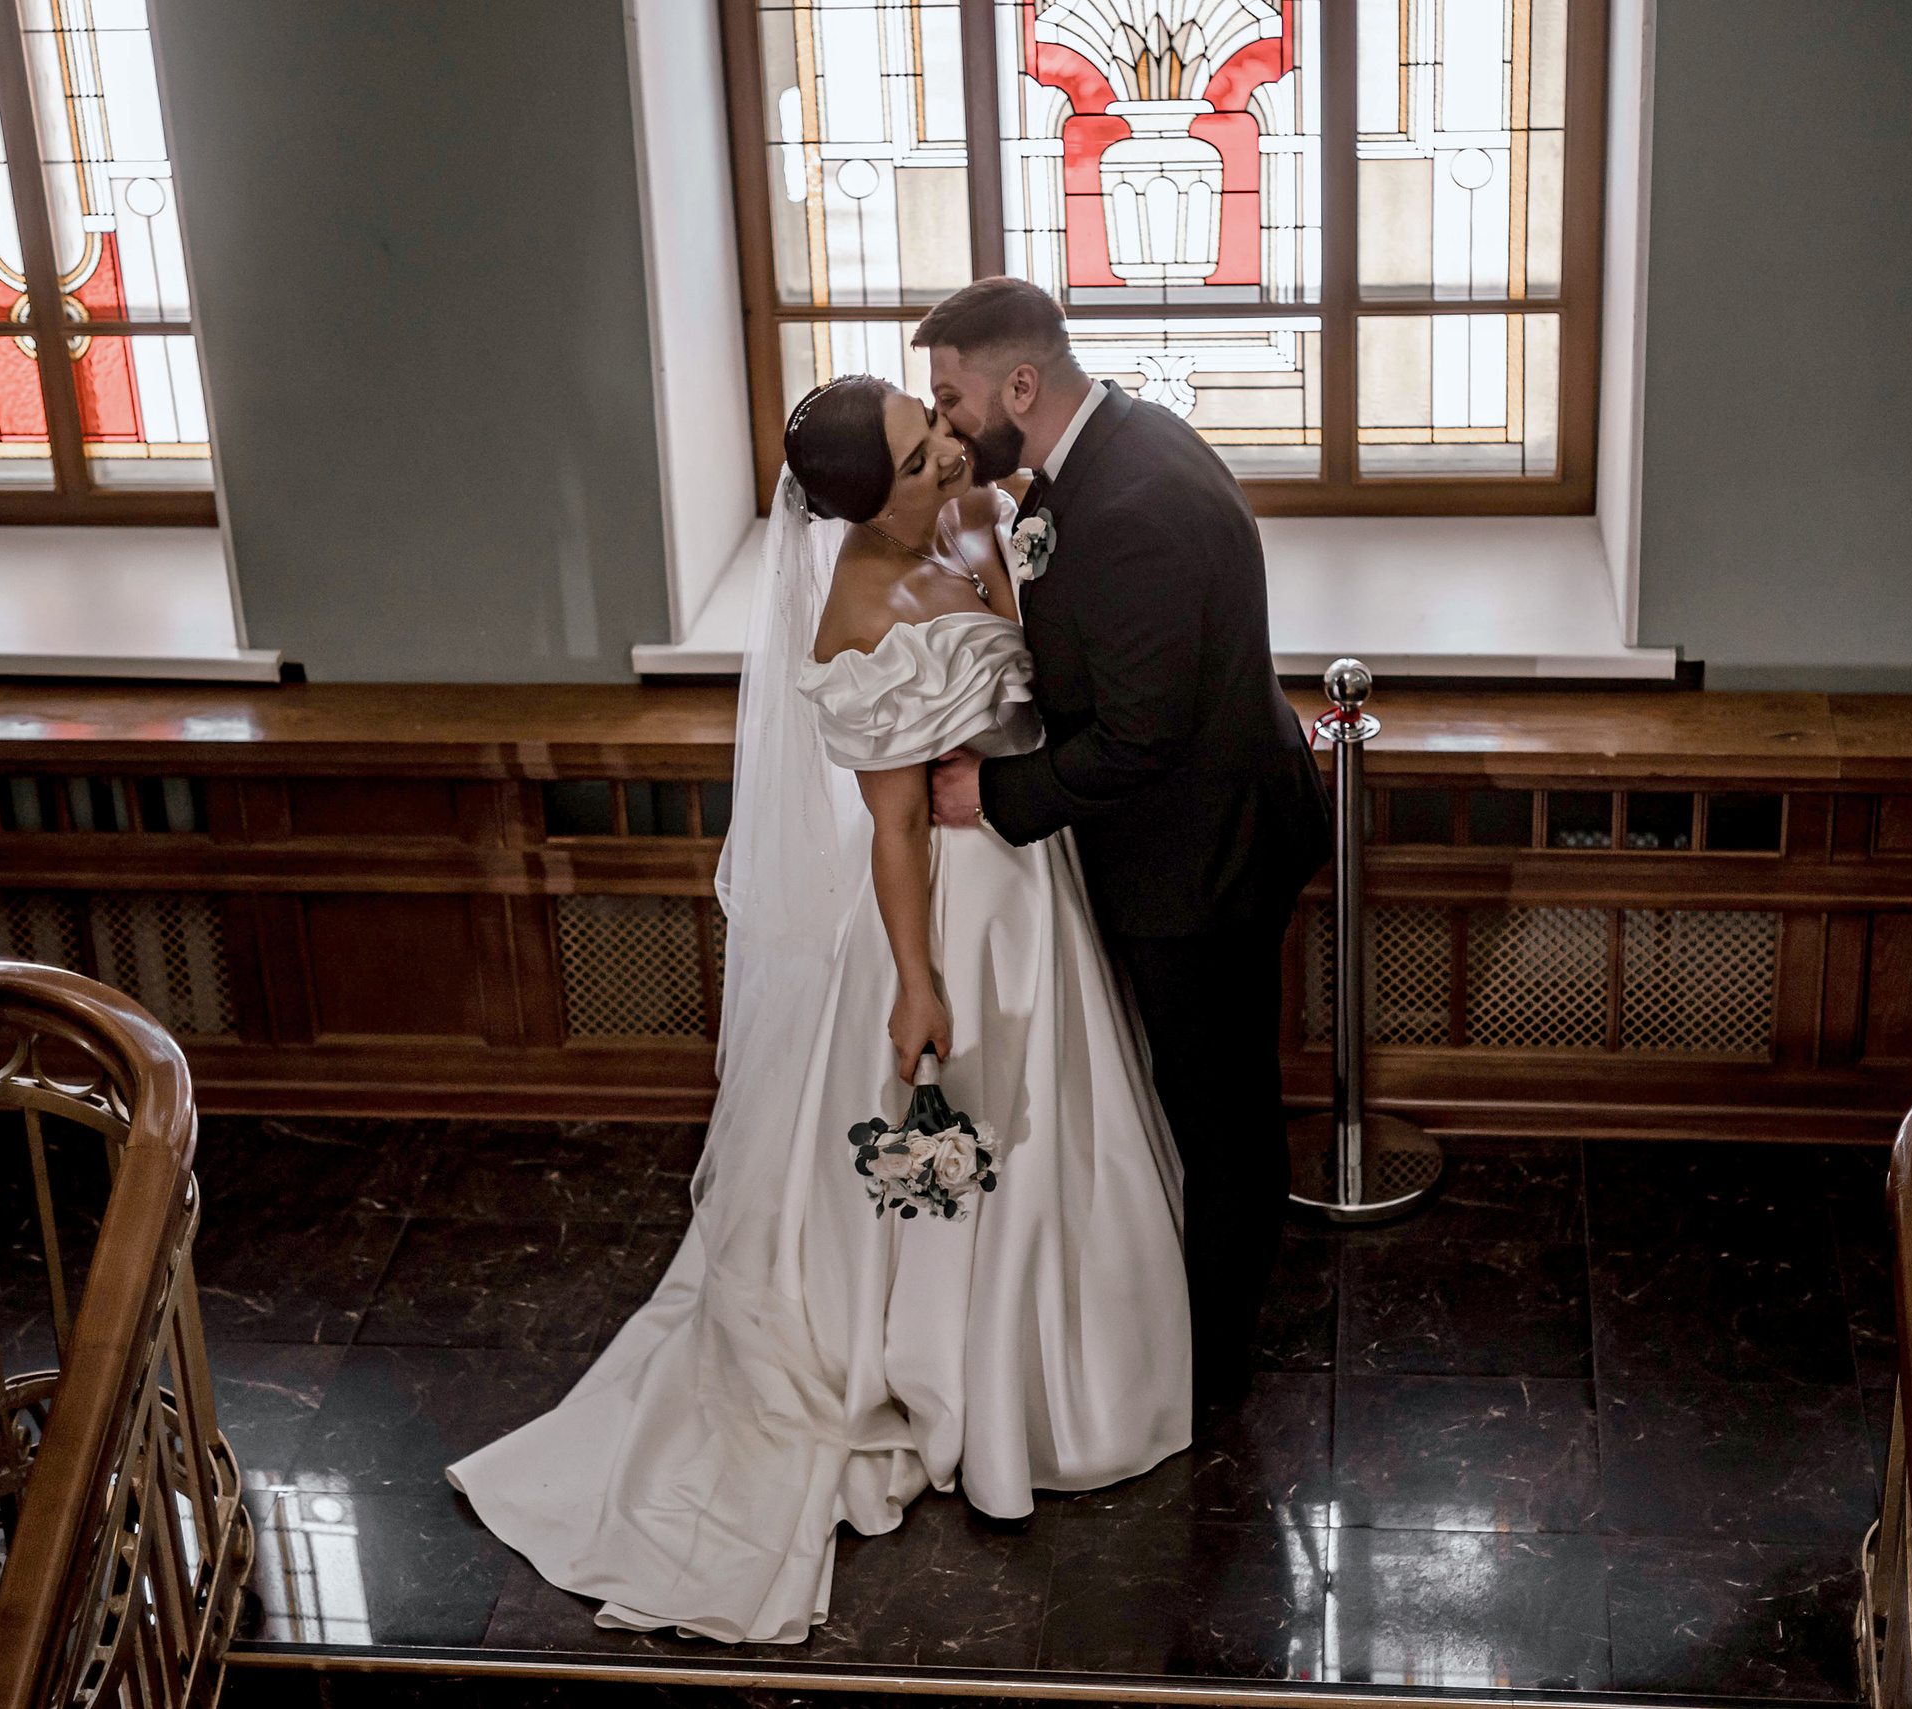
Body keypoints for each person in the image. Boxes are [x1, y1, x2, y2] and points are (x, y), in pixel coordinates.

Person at [446, 372, 1192, 1644]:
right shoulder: (855, 621)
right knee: (976, 1139)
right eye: (916, 456)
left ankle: (1081, 1361)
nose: (946, 450)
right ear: (858, 505)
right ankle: (957, 1375)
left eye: (932, 425)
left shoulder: (975, 508)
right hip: (956, 909)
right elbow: (895, 831)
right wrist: (918, 980)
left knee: (1072, 1131)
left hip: (1041, 875)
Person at [920, 277, 1332, 1410]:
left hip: (1202, 862)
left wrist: (992, 793)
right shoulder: (1116, 446)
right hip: (1197, 831)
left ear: (1019, 384)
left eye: (952, 399)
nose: (947, 426)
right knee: (1202, 1097)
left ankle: (1210, 1370)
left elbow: (1142, 736)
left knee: (1222, 1116)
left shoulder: (1132, 504)